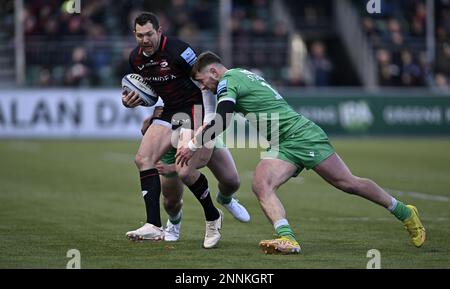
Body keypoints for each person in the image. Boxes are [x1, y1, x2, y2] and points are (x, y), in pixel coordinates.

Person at [176, 51, 426, 254]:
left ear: (213, 71)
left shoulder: (228, 81)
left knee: (348, 183)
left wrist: (192, 145)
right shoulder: (240, 74)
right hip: (284, 143)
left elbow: (221, 121)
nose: (202, 86)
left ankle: (404, 211)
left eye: (201, 80)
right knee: (261, 184)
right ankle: (288, 238)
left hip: (302, 136)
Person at [121, 13, 249, 248]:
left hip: (195, 110)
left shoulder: (180, 51)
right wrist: (135, 102)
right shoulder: (135, 59)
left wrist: (208, 120)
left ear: (160, 31)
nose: (145, 39)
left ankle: (214, 214)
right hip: (170, 111)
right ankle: (153, 224)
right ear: (134, 35)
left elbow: (205, 82)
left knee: (196, 173)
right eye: (140, 35)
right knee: (143, 159)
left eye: (149, 34)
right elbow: (152, 93)